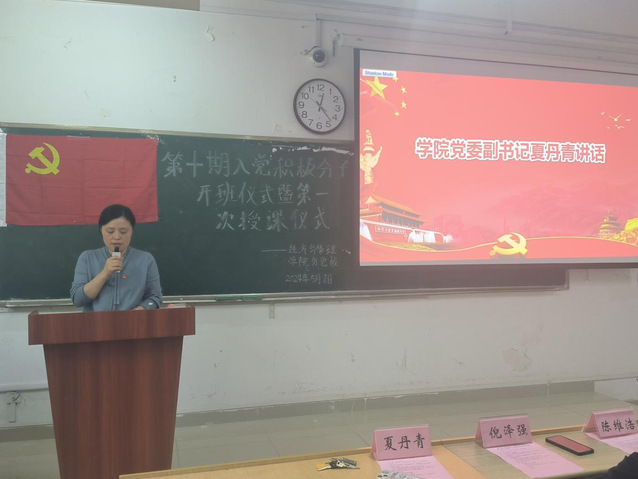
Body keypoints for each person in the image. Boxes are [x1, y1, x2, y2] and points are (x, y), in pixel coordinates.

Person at [70, 204, 162, 311]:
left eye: (123, 231)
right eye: (110, 231)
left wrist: (140, 311)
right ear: (101, 230)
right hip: (96, 321)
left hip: (134, 320)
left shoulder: (146, 260)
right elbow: (78, 300)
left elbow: (155, 298)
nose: (117, 237)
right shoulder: (87, 258)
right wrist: (105, 274)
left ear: (132, 231)